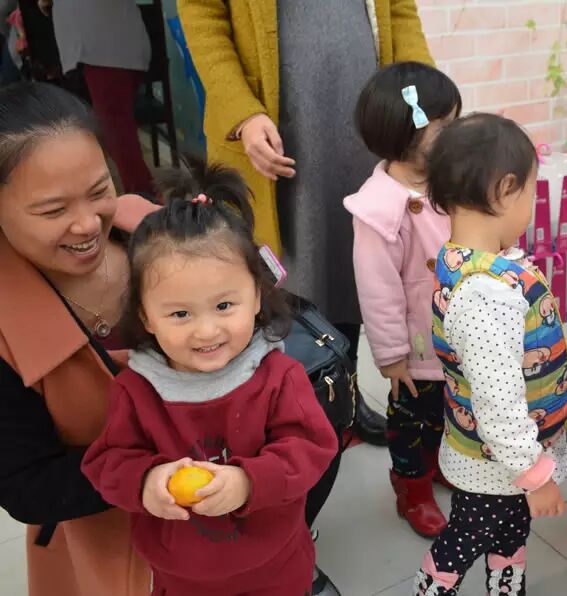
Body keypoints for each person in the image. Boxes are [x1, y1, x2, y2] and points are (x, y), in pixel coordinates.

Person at [178, 0, 435, 447]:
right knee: (286, 273)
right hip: (275, 118)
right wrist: (242, 112)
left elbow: (400, 11)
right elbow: (204, 16)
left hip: (362, 112)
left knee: (348, 262)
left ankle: (342, 397)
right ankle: (288, 414)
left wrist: (421, 95)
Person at [81, 162, 338, 596]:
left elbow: (311, 448)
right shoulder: (138, 389)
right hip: (181, 576)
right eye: (180, 313)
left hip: (276, 569)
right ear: (146, 316)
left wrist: (249, 482)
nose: (206, 331)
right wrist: (146, 481)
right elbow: (107, 462)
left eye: (224, 306)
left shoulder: (277, 376)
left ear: (257, 297)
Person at [0, 82, 157, 596]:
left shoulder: (158, 233)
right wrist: (149, 472)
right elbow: (26, 485)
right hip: (101, 542)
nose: (87, 224)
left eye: (98, 190)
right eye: (53, 211)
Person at [412, 113, 567, 596]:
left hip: (502, 462)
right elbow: (498, 405)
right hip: (496, 468)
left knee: (509, 535)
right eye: (531, 192)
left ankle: (507, 589)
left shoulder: (469, 261)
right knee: (463, 542)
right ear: (506, 190)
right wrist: (536, 477)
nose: (531, 205)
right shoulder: (486, 295)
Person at [344, 61, 460, 538]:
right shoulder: (379, 207)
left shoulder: (449, 178)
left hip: (457, 333)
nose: (456, 136)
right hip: (415, 348)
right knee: (414, 421)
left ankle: (438, 466)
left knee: (453, 412)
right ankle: (411, 487)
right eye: (446, 128)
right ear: (406, 134)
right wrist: (391, 355)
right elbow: (378, 290)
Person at [39, 0, 154, 195]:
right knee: (101, 130)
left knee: (114, 128)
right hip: (88, 47)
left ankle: (145, 199)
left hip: (105, 47)